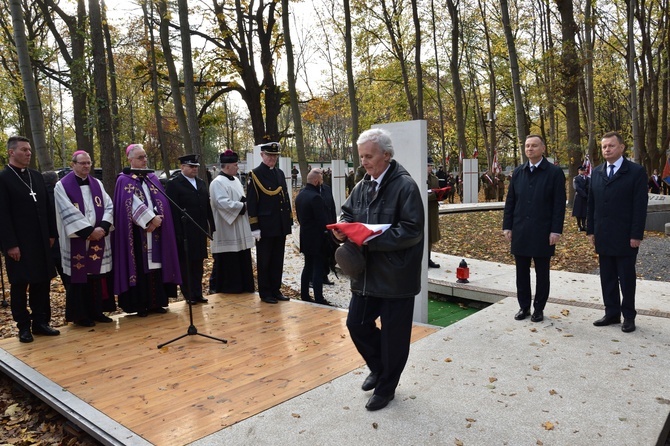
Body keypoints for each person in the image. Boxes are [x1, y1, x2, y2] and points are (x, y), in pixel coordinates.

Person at [333, 128, 424, 411]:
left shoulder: (405, 186)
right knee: (356, 324)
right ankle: (380, 367)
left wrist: (370, 238)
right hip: (365, 275)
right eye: (361, 156)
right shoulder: (362, 186)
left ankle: (386, 387)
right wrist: (342, 227)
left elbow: (412, 231)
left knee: (394, 337)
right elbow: (347, 213)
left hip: (396, 276)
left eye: (369, 156)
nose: (364, 162)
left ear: (386, 154)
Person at [0, 135, 60, 342]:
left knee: (41, 282)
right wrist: (10, 245)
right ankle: (23, 327)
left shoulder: (36, 176)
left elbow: (47, 206)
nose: (28, 153)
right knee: (20, 284)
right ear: (11, 152)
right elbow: (2, 215)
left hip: (41, 240)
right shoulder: (3, 178)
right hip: (19, 244)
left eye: (29, 150)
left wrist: (52, 233)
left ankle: (41, 322)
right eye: (24, 150)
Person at [587, 131, 648, 333]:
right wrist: (591, 231)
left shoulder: (636, 172)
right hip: (603, 234)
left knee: (626, 278)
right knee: (608, 277)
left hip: (625, 236)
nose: (607, 149)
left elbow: (640, 207)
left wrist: (636, 235)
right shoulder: (596, 172)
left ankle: (628, 316)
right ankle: (611, 313)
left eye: (611, 146)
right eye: (604, 146)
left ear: (621, 147)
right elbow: (591, 204)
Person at [503, 134, 566, 323]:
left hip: (543, 231)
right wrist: (507, 226)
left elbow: (558, 205)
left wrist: (556, 230)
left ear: (543, 148)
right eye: (527, 145)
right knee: (521, 272)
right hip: (520, 230)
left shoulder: (554, 173)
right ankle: (524, 307)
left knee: (542, 272)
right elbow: (511, 201)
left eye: (534, 146)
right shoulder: (518, 172)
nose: (530, 149)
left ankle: (539, 308)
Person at [113, 144, 181, 316]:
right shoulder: (124, 179)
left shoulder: (152, 177)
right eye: (140, 158)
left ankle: (157, 302)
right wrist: (149, 220)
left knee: (156, 266)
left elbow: (161, 201)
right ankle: (140, 304)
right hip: (136, 232)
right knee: (139, 266)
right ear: (130, 160)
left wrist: (157, 218)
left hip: (156, 228)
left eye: (145, 157)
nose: (144, 160)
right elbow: (128, 204)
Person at [54, 150, 115, 327]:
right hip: (78, 239)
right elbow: (67, 212)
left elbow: (109, 206)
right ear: (73, 164)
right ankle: (81, 315)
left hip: (98, 237)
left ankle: (97, 311)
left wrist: (103, 227)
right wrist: (88, 231)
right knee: (79, 277)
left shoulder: (97, 184)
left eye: (89, 163)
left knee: (96, 276)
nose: (87, 166)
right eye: (82, 163)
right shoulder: (62, 186)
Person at [246, 142, 293, 304]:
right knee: (265, 260)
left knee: (277, 259)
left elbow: (285, 198)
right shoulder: (255, 175)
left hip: (279, 224)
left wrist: (289, 220)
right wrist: (254, 227)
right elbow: (252, 204)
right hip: (265, 226)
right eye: (269, 155)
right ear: (262, 155)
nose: (272, 159)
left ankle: (275, 289)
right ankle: (265, 292)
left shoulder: (279, 173)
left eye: (274, 156)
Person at [165, 154, 215, 305]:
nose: (194, 169)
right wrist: (177, 232)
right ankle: (189, 294)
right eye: (191, 166)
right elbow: (172, 210)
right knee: (186, 263)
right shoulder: (174, 184)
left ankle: (198, 292)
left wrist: (211, 225)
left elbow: (206, 206)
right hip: (185, 231)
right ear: (182, 167)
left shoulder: (200, 183)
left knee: (198, 264)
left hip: (199, 229)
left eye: (196, 167)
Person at [209, 150, 255, 294]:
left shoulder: (235, 180)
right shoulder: (217, 183)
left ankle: (244, 286)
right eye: (236, 165)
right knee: (228, 259)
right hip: (226, 228)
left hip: (239, 225)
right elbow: (222, 203)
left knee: (241, 256)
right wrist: (243, 206)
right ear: (227, 166)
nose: (238, 168)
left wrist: (245, 202)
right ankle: (226, 287)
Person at [295, 169, 331, 305]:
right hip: (317, 238)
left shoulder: (301, 195)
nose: (321, 183)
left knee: (307, 266)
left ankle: (304, 294)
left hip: (305, 235)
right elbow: (322, 221)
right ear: (316, 181)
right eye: (321, 180)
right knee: (317, 268)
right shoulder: (316, 197)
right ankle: (319, 297)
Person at [427, 157, 441, 268]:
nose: (430, 168)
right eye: (428, 165)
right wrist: (434, 195)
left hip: (432, 209)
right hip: (422, 208)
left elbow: (437, 190)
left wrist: (443, 194)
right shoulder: (418, 177)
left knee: (431, 234)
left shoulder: (434, 179)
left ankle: (428, 258)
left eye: (431, 165)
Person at [572, 165, 589, 231]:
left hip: (586, 197)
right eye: (581, 170)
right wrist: (584, 194)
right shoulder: (576, 178)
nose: (583, 171)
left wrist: (587, 195)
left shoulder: (587, 178)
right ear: (579, 171)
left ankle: (584, 225)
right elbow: (577, 188)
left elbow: (589, 186)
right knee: (578, 212)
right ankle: (579, 225)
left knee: (584, 212)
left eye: (584, 170)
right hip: (579, 196)